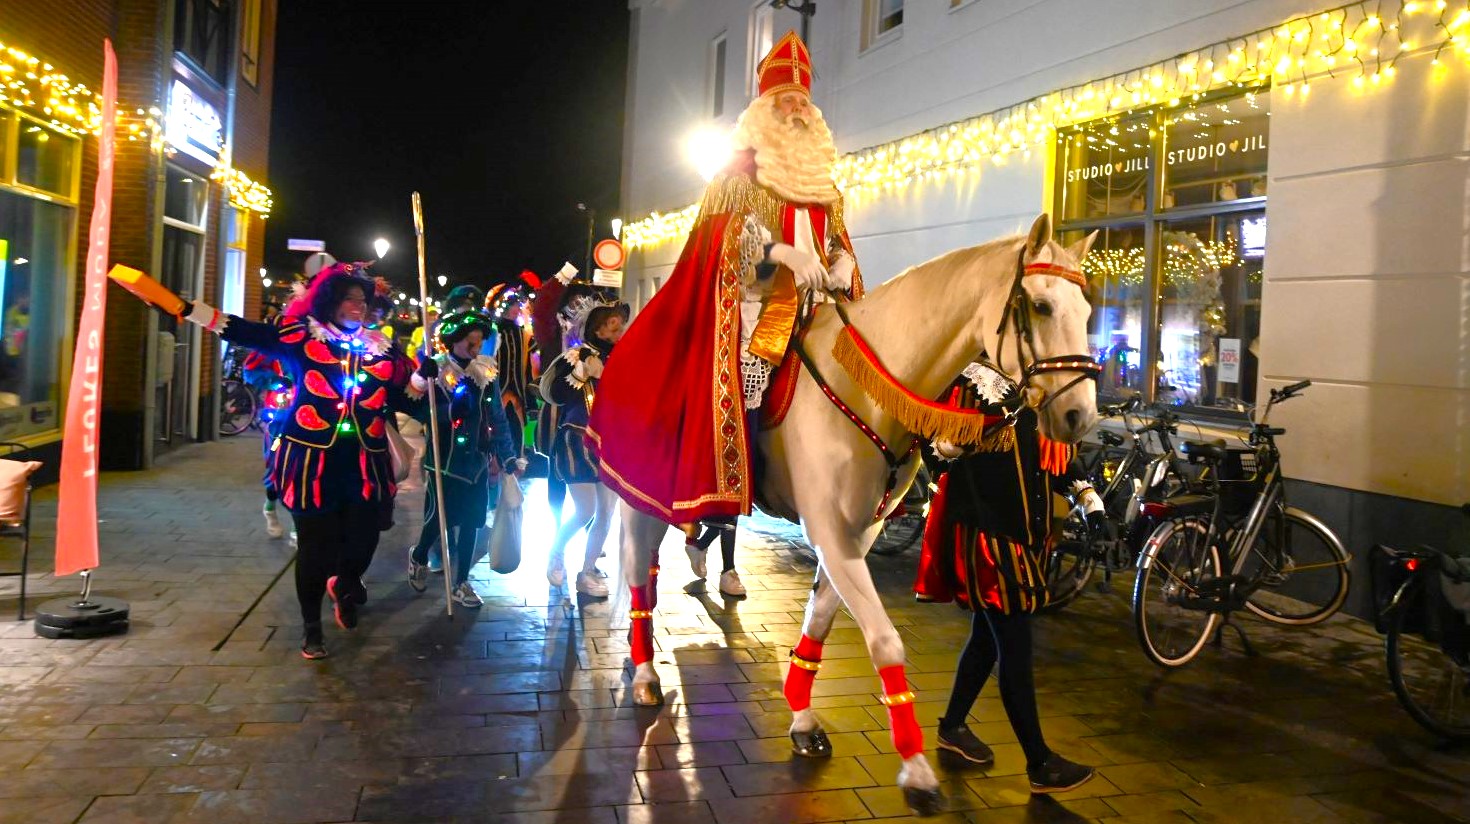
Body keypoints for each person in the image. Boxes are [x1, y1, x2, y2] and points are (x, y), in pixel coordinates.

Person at [589, 32, 863, 526]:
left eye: (804, 102)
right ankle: (736, 480)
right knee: (746, 374)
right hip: (760, 309)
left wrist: (843, 263)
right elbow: (725, 247)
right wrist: (781, 254)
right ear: (766, 109)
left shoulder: (824, 185)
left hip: (817, 306)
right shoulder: (738, 176)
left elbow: (837, 240)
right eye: (788, 101)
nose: (799, 111)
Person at [174, 262, 428, 660]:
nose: (358, 306)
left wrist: (422, 379)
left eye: (363, 300)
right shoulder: (301, 337)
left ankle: (345, 582)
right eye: (349, 298)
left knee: (365, 538)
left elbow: (404, 399)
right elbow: (242, 330)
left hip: (365, 460)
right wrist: (188, 309)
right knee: (316, 546)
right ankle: (312, 627)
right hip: (312, 462)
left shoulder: (382, 348)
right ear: (330, 302)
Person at [914, 360, 1105, 794]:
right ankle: (1039, 761)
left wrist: (1088, 498)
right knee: (1015, 645)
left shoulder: (1034, 387)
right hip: (987, 537)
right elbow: (934, 453)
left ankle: (952, 726)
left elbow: (1055, 457)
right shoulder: (969, 383)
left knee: (987, 637)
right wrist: (967, 434)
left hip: (1024, 536)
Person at [406, 309, 525, 607]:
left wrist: (508, 456)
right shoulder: (436, 369)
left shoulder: (484, 372)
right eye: (470, 341)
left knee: (472, 522)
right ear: (454, 341)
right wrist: (435, 394)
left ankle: (461, 582)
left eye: (479, 341)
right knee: (438, 520)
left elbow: (497, 417)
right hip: (444, 461)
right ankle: (419, 555)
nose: (476, 346)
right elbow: (417, 409)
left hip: (477, 462)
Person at [543, 296, 628, 598]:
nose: (619, 333)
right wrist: (581, 372)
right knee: (585, 510)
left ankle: (587, 572)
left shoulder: (623, 358)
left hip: (610, 443)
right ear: (598, 329)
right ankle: (556, 552)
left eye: (621, 327)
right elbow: (555, 394)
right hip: (577, 440)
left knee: (606, 513)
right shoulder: (577, 355)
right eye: (614, 328)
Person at [529, 263, 591, 525]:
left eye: (583, 301)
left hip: (587, 408)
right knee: (557, 472)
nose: (579, 306)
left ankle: (588, 529)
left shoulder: (591, 333)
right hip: (558, 407)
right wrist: (563, 276)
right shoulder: (553, 332)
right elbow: (542, 309)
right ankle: (557, 528)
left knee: (590, 470)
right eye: (574, 301)